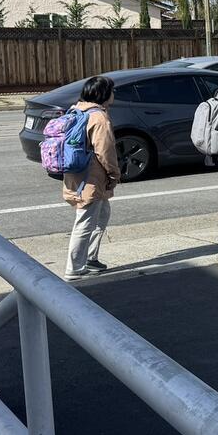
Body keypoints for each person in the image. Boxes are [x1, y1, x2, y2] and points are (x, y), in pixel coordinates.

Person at [61, 76, 121, 281]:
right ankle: (74, 267)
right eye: (111, 91)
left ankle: (90, 258)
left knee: (102, 214)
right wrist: (114, 173)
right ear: (104, 95)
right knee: (85, 221)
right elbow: (106, 151)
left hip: (76, 173)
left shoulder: (76, 110)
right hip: (92, 178)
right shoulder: (99, 118)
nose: (114, 95)